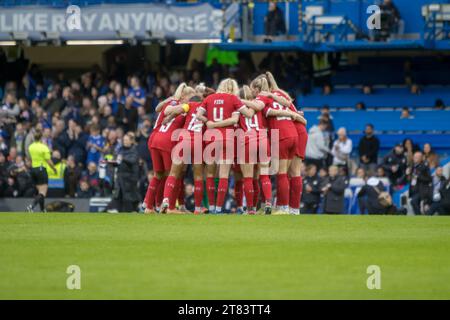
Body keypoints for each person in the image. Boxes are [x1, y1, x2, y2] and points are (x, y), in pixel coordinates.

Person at [26, 129, 57, 213]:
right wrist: (54, 169)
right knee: (43, 192)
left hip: (33, 170)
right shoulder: (44, 147)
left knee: (40, 192)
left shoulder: (31, 147)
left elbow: (29, 158)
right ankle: (31, 206)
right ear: (41, 137)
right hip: (41, 169)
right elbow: (49, 161)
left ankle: (42, 210)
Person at [109, 132, 140, 212]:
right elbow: (118, 162)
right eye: (124, 140)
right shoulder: (120, 150)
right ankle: (118, 210)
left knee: (129, 196)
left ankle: (131, 210)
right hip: (120, 177)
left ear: (131, 141)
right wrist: (112, 162)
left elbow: (132, 161)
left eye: (126, 140)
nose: (125, 142)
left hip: (129, 178)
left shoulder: (134, 150)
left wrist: (123, 158)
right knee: (119, 195)